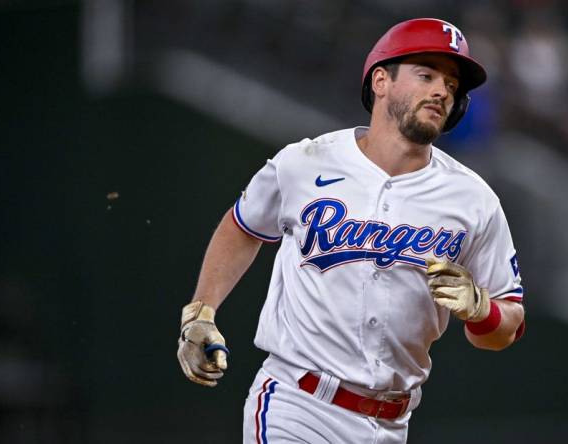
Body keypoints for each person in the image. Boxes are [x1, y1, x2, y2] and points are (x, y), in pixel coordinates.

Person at [176, 18, 526, 444]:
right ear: (381, 80)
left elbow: (507, 324)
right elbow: (243, 226)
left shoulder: (473, 199)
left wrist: (481, 311)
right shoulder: (306, 161)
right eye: (426, 74)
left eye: (452, 84)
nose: (442, 90)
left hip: (392, 423)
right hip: (297, 404)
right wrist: (201, 312)